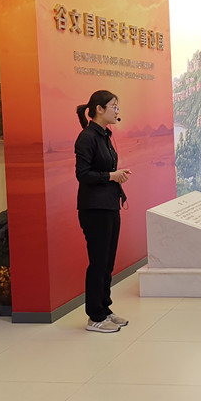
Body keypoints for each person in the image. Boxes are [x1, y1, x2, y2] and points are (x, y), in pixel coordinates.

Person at [74, 90, 130, 334]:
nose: (117, 111)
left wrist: (116, 176)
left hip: (109, 205)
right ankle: (94, 316)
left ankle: (105, 309)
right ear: (99, 109)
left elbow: (105, 170)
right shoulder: (87, 137)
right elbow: (83, 174)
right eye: (114, 106)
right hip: (94, 209)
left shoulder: (105, 135)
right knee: (98, 262)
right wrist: (111, 176)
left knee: (108, 261)